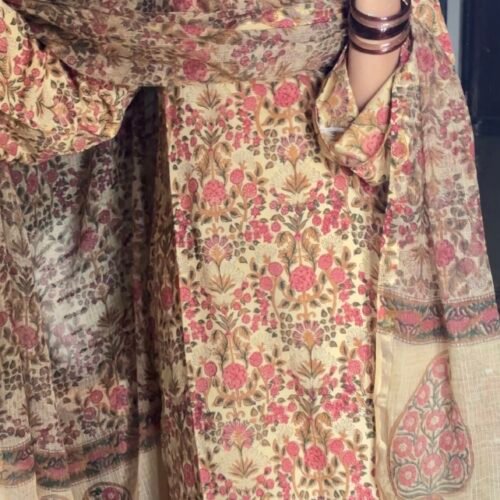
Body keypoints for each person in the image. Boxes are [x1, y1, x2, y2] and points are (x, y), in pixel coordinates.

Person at [1, 0, 500, 498]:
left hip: (331, 264)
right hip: (193, 277)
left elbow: (372, 130)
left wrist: (375, 18)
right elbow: (61, 100)